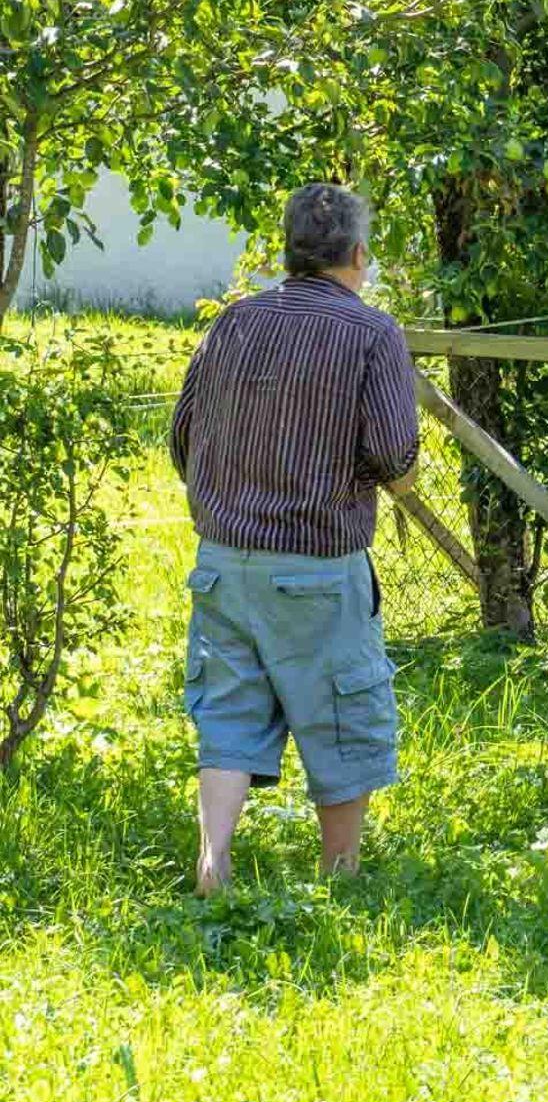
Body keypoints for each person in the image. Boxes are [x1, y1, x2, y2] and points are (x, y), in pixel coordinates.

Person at [170, 183, 419, 894]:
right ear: (359, 254)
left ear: (289, 250)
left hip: (222, 561)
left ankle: (214, 860)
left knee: (228, 713)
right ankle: (340, 875)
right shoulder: (372, 333)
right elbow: (394, 454)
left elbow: (182, 435)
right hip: (317, 565)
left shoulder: (234, 322)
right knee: (341, 714)